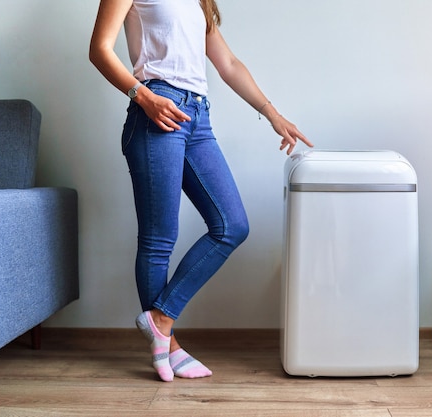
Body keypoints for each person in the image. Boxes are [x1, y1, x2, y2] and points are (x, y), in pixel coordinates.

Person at [89, 0, 313, 382]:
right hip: (157, 108)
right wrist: (142, 96)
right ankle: (168, 347)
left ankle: (160, 319)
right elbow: (99, 49)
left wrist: (272, 113)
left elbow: (227, 64)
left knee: (231, 225)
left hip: (197, 116)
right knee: (160, 239)